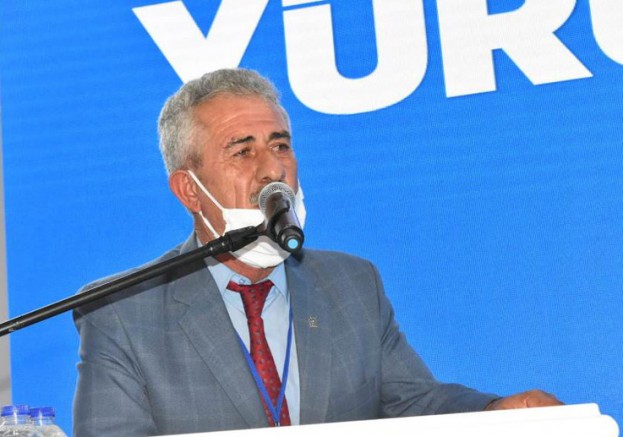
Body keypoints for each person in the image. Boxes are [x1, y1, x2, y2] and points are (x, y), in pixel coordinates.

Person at [72, 68, 561, 436]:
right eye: (242, 151)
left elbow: (412, 404)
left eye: (280, 146)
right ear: (189, 190)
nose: (273, 170)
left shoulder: (352, 285)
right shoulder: (121, 311)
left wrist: (495, 412)